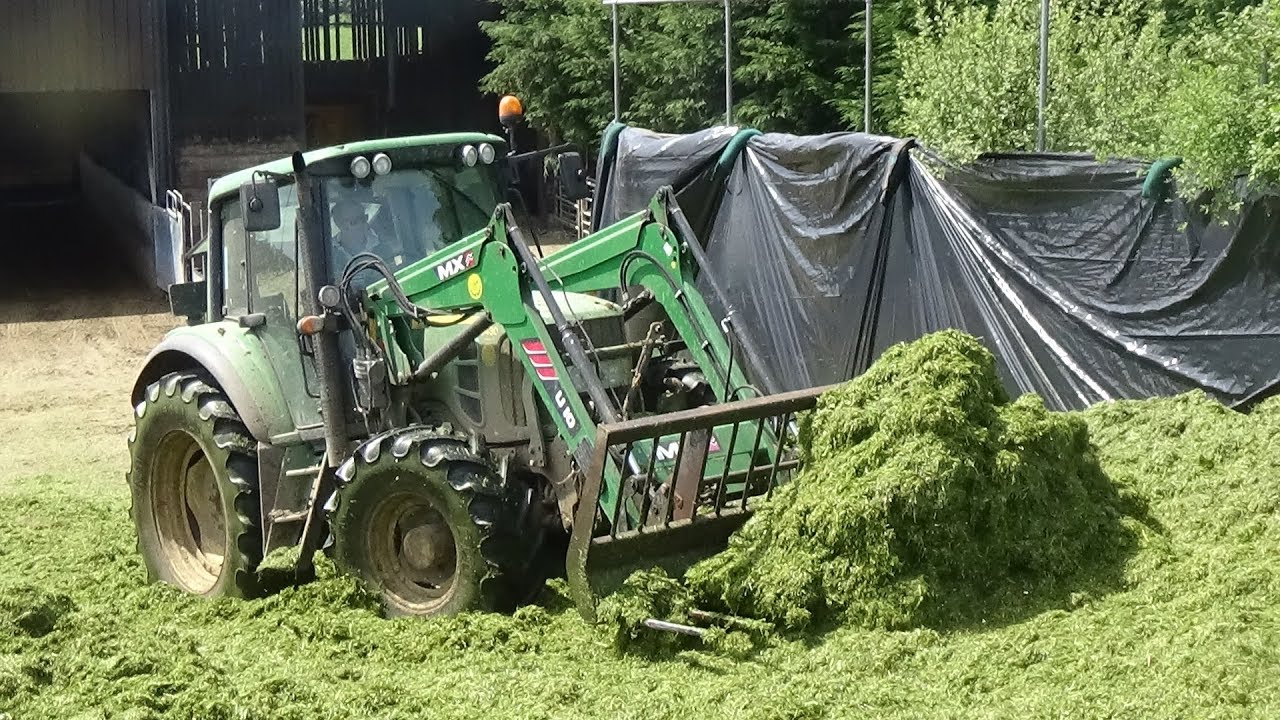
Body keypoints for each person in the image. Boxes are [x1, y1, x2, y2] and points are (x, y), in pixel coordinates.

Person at [330, 198, 404, 276]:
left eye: (364, 218)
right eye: (354, 222)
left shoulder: (384, 246)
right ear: (340, 225)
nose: (362, 224)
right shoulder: (330, 255)